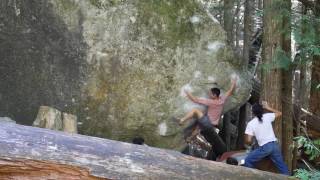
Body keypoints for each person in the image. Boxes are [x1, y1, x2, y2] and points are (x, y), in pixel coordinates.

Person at [179, 78, 237, 159]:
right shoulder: (222, 99)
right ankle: (189, 139)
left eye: (211, 94)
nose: (209, 95)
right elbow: (230, 91)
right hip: (211, 124)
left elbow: (195, 100)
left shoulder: (211, 102)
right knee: (198, 128)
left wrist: (186, 92)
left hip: (208, 122)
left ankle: (182, 120)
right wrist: (234, 83)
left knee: (195, 111)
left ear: (215, 95)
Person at [244, 102, 289, 175]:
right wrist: (268, 107)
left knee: (248, 161)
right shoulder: (267, 116)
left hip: (265, 147)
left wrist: (250, 142)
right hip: (274, 145)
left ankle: (256, 176)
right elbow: (279, 113)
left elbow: (248, 140)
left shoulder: (251, 124)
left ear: (253, 112)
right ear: (262, 110)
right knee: (282, 166)